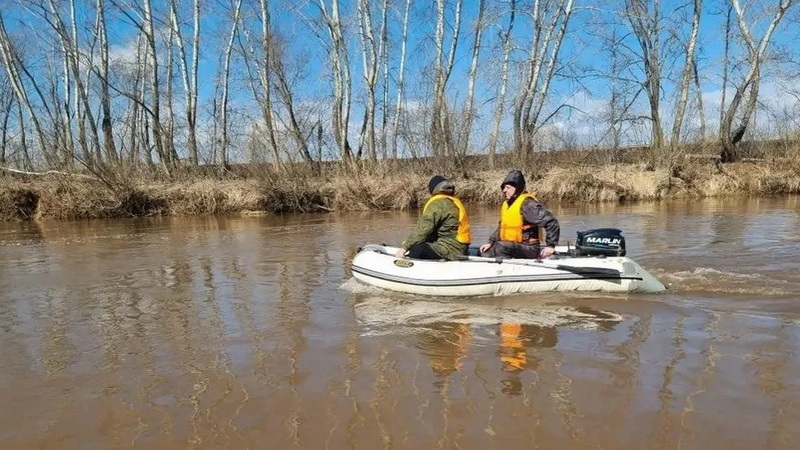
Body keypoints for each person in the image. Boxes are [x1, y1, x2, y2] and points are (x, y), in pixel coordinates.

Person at [479, 169, 560, 259]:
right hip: (511, 246)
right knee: (485, 252)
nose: (504, 190)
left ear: (517, 188)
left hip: (529, 248)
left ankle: (506, 266)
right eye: (504, 188)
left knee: (501, 247)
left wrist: (550, 246)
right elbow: (501, 228)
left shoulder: (528, 205)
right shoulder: (507, 204)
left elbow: (551, 222)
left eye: (508, 188)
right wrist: (490, 242)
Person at [395, 175, 472, 260]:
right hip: (462, 248)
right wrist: (410, 241)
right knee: (420, 242)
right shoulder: (454, 201)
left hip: (450, 249)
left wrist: (405, 247)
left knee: (417, 249)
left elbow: (423, 230)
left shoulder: (437, 204)